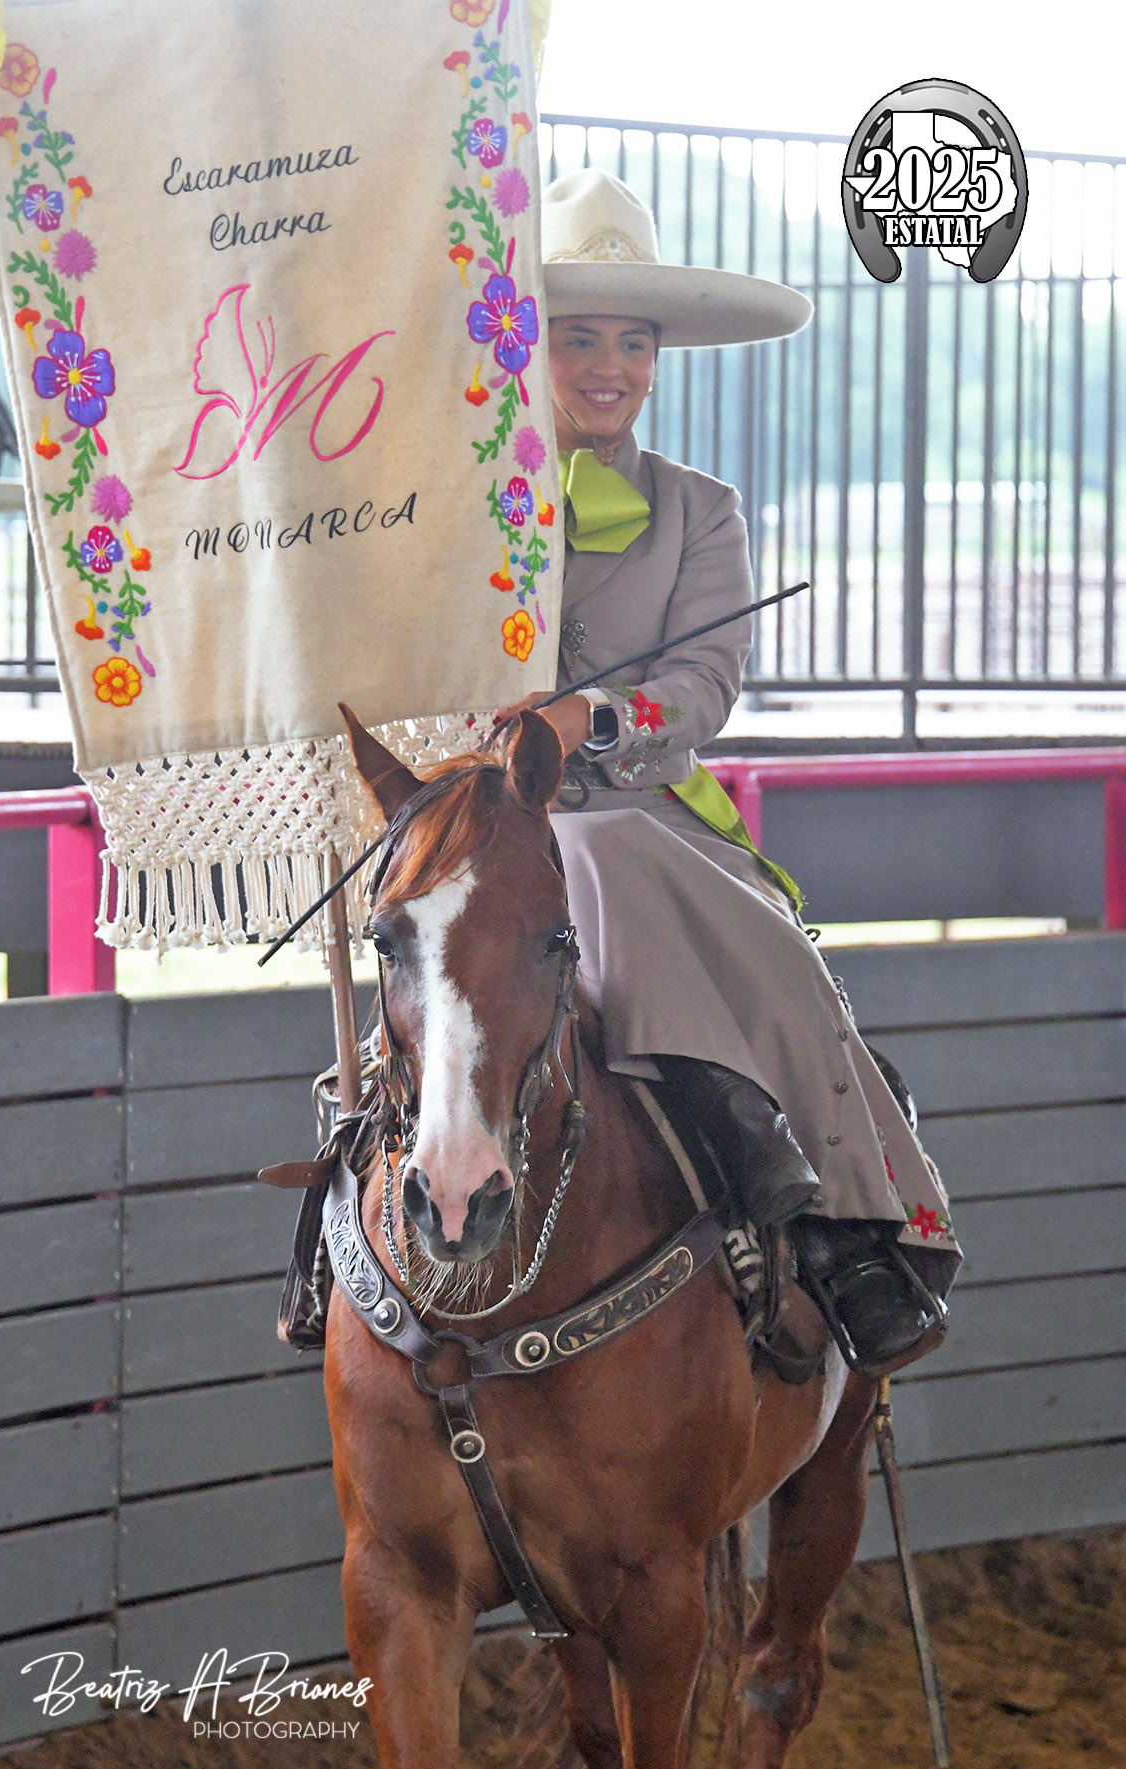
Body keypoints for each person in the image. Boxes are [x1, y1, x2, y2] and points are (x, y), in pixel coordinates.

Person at [494, 169, 961, 1377]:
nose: (610, 367)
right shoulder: (462, 507)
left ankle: (836, 1216)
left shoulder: (703, 512)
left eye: (633, 343)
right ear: (529, 345)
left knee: (750, 935)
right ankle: (332, 1239)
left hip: (641, 806)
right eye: (580, 338)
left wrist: (594, 715)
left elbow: (703, 689)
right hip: (487, 816)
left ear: (657, 360)